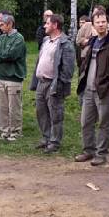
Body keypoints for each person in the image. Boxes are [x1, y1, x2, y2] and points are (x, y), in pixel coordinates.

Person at [75, 10, 109, 166]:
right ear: (93, 25)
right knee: (85, 122)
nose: (101, 25)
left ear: (107, 23)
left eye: (103, 22)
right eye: (98, 22)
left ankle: (102, 153)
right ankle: (88, 150)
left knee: (104, 123)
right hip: (88, 89)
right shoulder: (93, 41)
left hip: (103, 91)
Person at [30, 13, 75, 153]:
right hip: (41, 82)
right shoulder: (45, 40)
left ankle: (54, 142)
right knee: (41, 112)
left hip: (54, 83)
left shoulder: (65, 44)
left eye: (47, 23)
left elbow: (68, 69)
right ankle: (46, 138)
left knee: (55, 113)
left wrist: (60, 84)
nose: (45, 26)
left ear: (55, 25)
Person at [0, 13, 26, 141]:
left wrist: (0, 56)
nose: (0, 27)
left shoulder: (19, 38)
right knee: (2, 107)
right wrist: (1, 55)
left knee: (14, 108)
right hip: (0, 77)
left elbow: (12, 55)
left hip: (13, 77)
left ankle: (15, 132)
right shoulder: (0, 38)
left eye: (2, 25)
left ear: (10, 24)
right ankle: (4, 132)